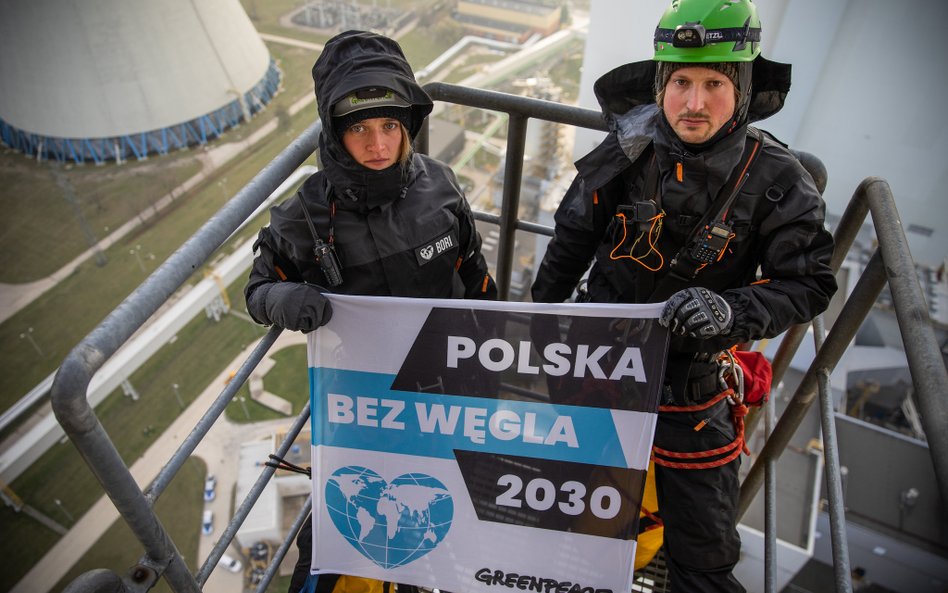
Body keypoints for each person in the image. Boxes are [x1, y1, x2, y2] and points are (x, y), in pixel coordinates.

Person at [530, 1, 837, 591]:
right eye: (682, 82)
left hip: (692, 386)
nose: (695, 103)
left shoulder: (777, 180)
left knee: (702, 558)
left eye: (715, 84)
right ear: (660, 83)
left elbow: (810, 282)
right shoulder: (626, 149)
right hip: (600, 366)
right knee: (561, 513)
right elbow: (573, 236)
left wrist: (733, 310)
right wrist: (537, 322)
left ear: (743, 87)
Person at [244, 30, 497, 593]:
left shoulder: (442, 186)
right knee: (331, 539)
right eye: (359, 128)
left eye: (390, 126)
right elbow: (258, 290)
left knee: (445, 518)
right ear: (335, 134)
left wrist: (492, 354)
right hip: (361, 402)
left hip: (447, 390)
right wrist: (282, 299)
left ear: (408, 126)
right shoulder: (303, 218)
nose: (378, 143)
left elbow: (480, 282)